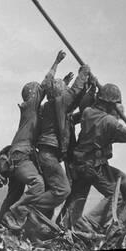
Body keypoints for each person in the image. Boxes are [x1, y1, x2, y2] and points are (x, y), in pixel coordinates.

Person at [61, 83, 126, 232]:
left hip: (80, 163)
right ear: (111, 104)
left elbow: (107, 134)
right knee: (116, 195)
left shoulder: (88, 112)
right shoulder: (109, 122)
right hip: (92, 166)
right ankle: (90, 223)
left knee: (121, 180)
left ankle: (64, 225)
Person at [0, 50, 66, 230]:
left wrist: (63, 84)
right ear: (32, 94)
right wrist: (56, 62)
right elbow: (45, 84)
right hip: (21, 156)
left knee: (14, 194)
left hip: (18, 155)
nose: (40, 92)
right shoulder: (30, 107)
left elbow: (51, 95)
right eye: (37, 91)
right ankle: (14, 214)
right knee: (38, 184)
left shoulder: (32, 110)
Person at [33, 62, 92, 218]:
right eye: (64, 90)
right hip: (49, 155)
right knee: (62, 190)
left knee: (52, 191)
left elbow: (72, 116)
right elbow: (74, 91)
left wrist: (88, 90)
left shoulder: (49, 107)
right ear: (60, 93)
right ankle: (26, 208)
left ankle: (41, 224)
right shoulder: (59, 103)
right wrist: (84, 72)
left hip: (46, 154)